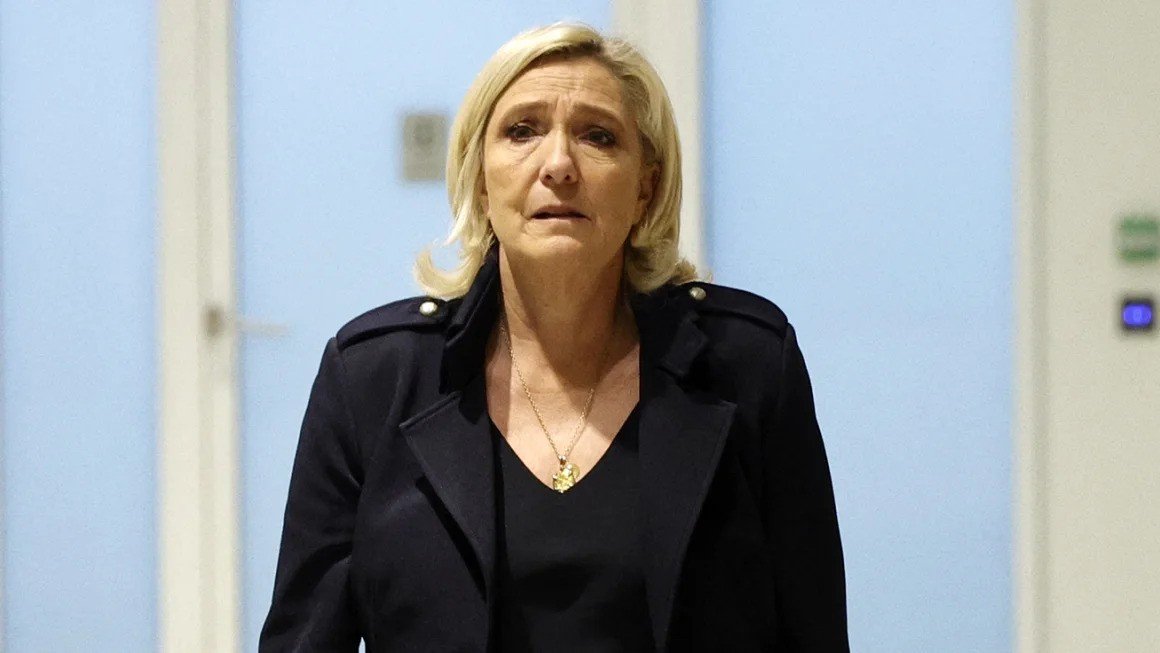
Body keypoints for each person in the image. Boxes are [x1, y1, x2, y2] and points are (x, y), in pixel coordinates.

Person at [260, 22, 847, 652]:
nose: (559, 165)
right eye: (522, 131)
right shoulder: (371, 376)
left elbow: (812, 632)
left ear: (645, 188)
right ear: (480, 181)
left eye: (598, 136)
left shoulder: (749, 363)